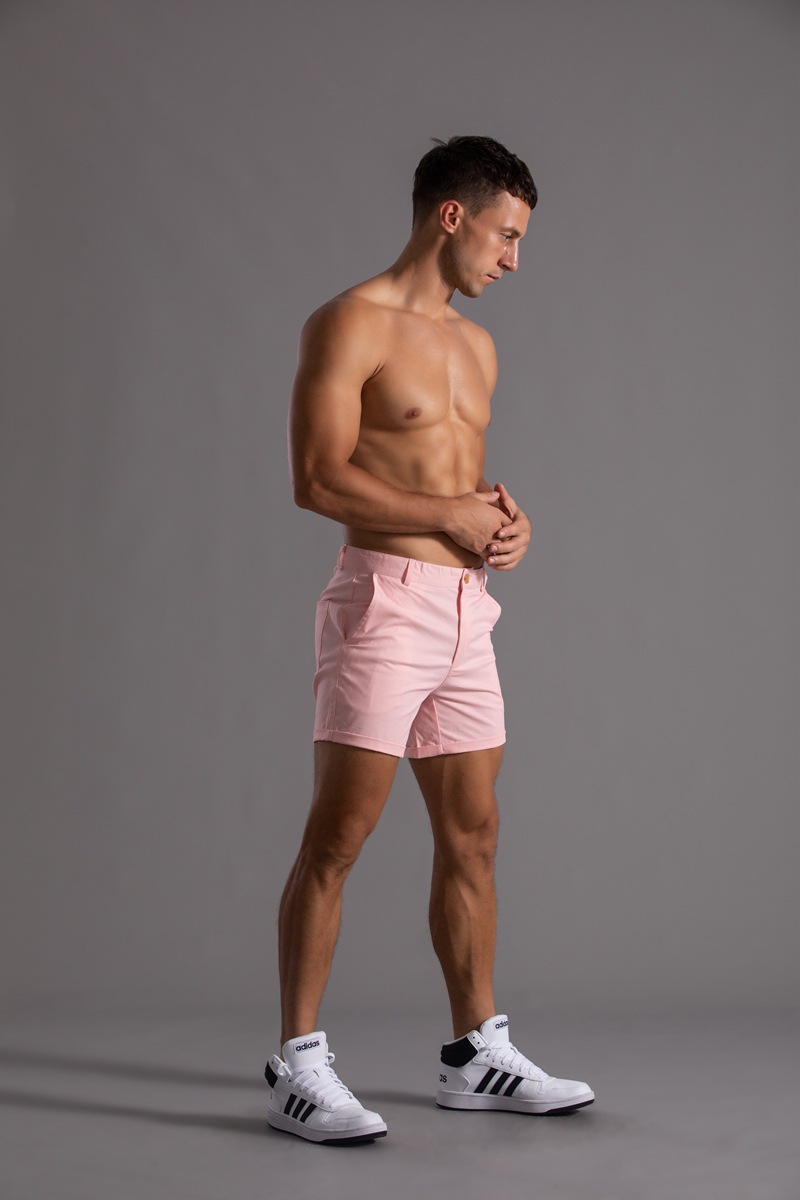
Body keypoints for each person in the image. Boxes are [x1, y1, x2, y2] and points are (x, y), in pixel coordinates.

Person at [265, 136, 594, 1144]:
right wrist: (445, 515)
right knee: (339, 835)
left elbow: (455, 482)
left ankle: (472, 1054)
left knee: (475, 831)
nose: (514, 259)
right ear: (451, 215)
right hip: (384, 602)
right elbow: (317, 477)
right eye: (505, 234)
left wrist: (502, 525)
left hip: (465, 607)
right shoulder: (349, 322)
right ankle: (297, 1064)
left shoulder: (477, 345)